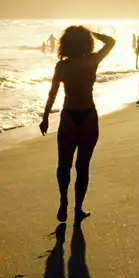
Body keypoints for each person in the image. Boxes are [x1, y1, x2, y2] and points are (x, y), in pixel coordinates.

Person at [40, 27, 115, 222]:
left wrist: (45, 117)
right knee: (83, 166)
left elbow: (52, 92)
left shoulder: (62, 66)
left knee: (63, 165)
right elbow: (111, 41)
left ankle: (64, 202)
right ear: (86, 42)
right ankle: (78, 208)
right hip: (89, 117)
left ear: (66, 43)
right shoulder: (92, 61)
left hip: (69, 118)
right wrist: (92, 32)